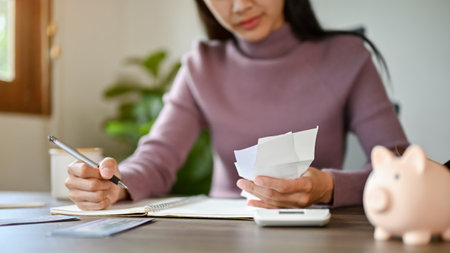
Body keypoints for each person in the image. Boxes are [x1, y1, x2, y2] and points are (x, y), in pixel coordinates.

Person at [65, 0, 408, 210]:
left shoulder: (348, 57)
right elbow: (156, 161)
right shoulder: (201, 65)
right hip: (224, 232)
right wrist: (114, 184)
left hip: (319, 232)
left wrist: (326, 187)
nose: (240, 5)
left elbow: (400, 167)